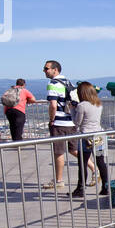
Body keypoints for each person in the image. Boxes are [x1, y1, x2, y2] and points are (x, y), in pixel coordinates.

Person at [42, 60, 79, 190]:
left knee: (58, 152)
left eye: (46, 68)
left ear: (55, 69)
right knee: (73, 149)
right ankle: (94, 169)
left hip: (59, 122)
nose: (44, 71)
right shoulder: (68, 82)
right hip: (71, 121)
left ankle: (59, 180)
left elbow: (53, 105)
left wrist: (51, 119)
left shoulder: (52, 84)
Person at [70, 82, 109, 198]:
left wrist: (72, 109)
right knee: (101, 162)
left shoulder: (82, 106)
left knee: (83, 162)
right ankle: (105, 187)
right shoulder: (98, 104)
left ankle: (80, 188)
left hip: (85, 137)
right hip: (99, 136)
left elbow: (77, 122)